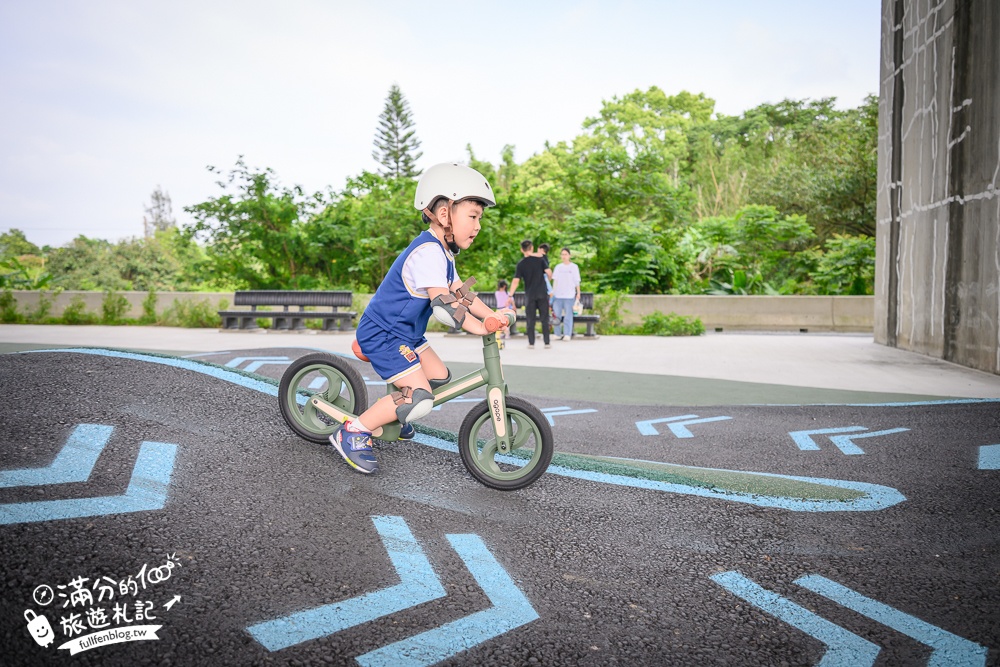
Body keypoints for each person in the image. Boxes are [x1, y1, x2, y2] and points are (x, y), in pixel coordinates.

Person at [331, 162, 513, 474]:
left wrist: (493, 315)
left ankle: (392, 414)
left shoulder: (444, 254)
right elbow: (445, 307)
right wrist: (480, 326)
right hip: (384, 334)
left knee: (440, 377)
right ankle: (354, 431)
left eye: (479, 218)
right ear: (444, 214)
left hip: (406, 335)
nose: (478, 225)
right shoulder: (428, 253)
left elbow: (463, 295)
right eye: (473, 216)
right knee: (421, 398)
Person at [509, 240, 552, 349]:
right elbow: (549, 273)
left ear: (521, 249)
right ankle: (547, 343)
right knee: (544, 318)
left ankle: (531, 343)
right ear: (532, 248)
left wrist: (510, 295)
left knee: (530, 319)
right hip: (542, 293)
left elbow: (515, 281)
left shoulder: (521, 264)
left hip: (530, 295)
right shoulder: (540, 260)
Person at [551, 247, 581, 340]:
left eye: (565, 254)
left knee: (568, 315)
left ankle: (567, 334)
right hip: (558, 295)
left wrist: (578, 293)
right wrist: (553, 292)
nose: (564, 256)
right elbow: (555, 281)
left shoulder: (574, 267)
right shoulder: (558, 267)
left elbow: (577, 281)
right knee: (557, 315)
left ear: (569, 255)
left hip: (569, 295)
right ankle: (557, 333)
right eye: (562, 254)